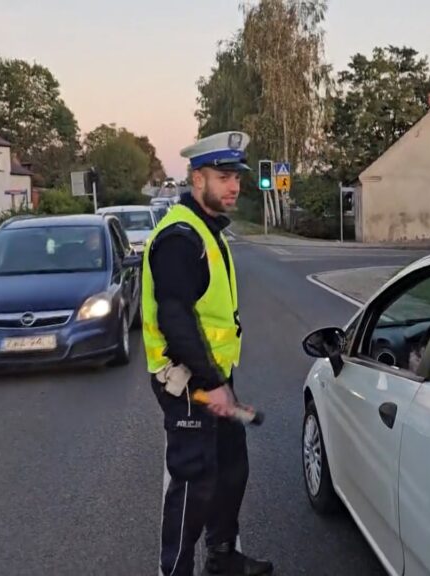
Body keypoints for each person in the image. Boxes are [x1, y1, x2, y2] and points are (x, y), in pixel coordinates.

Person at [140, 131, 273, 576]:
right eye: (223, 176)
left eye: (236, 176)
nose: (234, 185)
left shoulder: (206, 228)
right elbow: (174, 319)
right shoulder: (180, 236)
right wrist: (210, 383)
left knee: (232, 467)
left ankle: (223, 558)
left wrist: (220, 380)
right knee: (194, 481)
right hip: (185, 380)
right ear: (197, 179)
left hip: (213, 373)